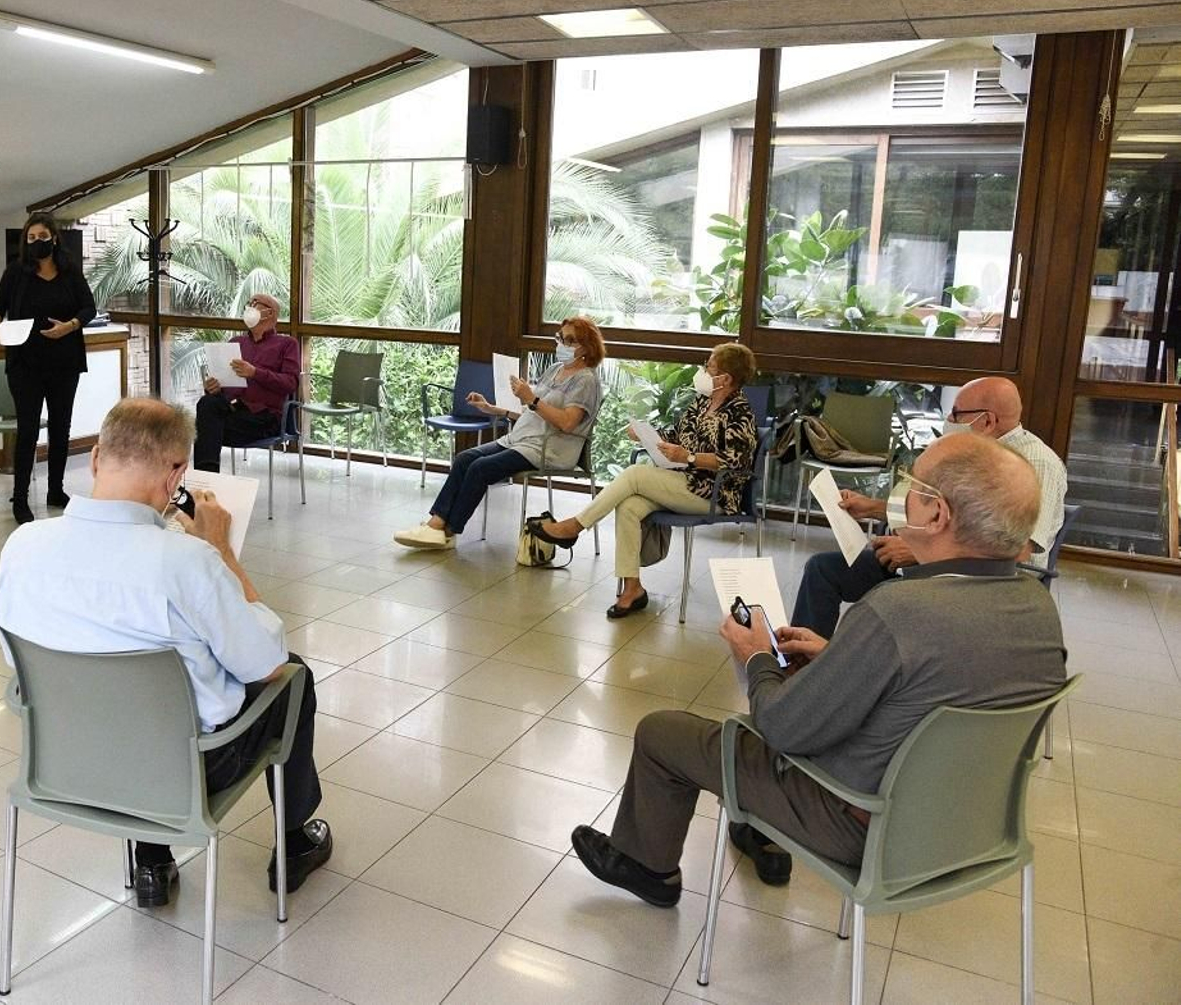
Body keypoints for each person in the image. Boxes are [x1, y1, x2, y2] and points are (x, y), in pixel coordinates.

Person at [571, 432, 1067, 907]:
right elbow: (935, 682)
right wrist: (837, 654)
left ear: (937, 514)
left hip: (859, 821)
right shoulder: (1038, 609)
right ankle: (749, 832)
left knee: (664, 732)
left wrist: (756, 656)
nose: (902, 499)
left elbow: (782, 727)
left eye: (913, 488)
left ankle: (647, 866)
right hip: (969, 825)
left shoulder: (898, 610)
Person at [0, 398, 332, 908]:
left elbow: (17, 663)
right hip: (183, 769)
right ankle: (292, 843)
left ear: (98, 459)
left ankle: (151, 861)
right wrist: (223, 554)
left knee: (130, 698)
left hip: (65, 758)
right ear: (177, 476)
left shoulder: (22, 546)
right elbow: (266, 663)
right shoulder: (187, 561)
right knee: (295, 676)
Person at [792, 376, 1068, 638]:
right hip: (928, 561)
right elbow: (943, 513)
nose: (949, 421)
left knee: (882, 607)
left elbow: (1019, 551)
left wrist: (917, 551)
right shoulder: (978, 452)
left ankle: (847, 670)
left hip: (981, 584)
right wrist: (872, 508)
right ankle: (802, 663)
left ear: (987, 420)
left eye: (956, 414)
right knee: (823, 569)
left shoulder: (1035, 464)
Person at [531, 343, 758, 617]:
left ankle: (576, 526)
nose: (703, 370)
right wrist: (647, 434)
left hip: (713, 493)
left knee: (635, 474)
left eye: (709, 366)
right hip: (682, 481)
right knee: (630, 507)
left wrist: (690, 458)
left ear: (726, 378)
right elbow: (677, 434)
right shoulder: (703, 401)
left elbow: (735, 461)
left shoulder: (740, 413)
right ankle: (633, 588)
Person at [394, 318, 605, 550]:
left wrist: (532, 398)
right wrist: (492, 408)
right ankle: (436, 525)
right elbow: (531, 412)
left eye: (570, 340)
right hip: (520, 440)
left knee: (480, 468)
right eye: (560, 338)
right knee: (465, 459)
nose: (562, 344)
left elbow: (567, 423)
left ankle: (446, 531)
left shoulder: (586, 380)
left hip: (547, 449)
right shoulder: (555, 370)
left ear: (587, 346)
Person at [0, 212, 98, 525]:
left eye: (42, 237)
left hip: (65, 361)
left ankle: (55, 490)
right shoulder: (15, 273)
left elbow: (89, 307)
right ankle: (20, 498)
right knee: (28, 430)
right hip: (25, 364)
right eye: (31, 238)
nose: (37, 242)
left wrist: (71, 326)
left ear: (54, 239)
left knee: (61, 428)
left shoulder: (70, 271)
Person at [192, 292, 301, 473]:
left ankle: (206, 481)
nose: (250, 307)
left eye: (256, 303)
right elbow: (225, 384)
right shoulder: (236, 342)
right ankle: (208, 481)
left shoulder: (287, 344)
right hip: (232, 409)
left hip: (264, 417)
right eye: (249, 303)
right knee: (207, 403)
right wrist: (214, 387)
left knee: (205, 428)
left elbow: (290, 383)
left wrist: (255, 373)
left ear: (270, 313)